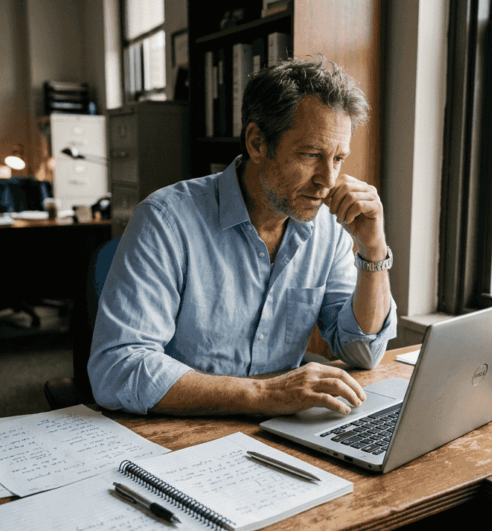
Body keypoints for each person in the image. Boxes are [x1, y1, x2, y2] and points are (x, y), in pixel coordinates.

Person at [88, 56, 397, 417]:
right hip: (179, 432)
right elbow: (117, 368)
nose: (328, 180)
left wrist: (372, 249)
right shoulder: (165, 221)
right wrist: (264, 394)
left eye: (338, 159)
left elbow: (363, 352)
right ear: (257, 143)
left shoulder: (327, 230)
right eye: (312, 154)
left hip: (279, 432)